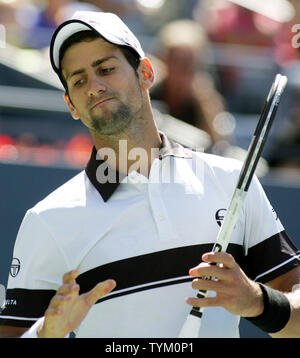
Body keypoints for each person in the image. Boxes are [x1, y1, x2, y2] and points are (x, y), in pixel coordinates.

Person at [0, 11, 299, 339]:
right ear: (71, 104)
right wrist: (45, 334)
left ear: (145, 72)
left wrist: (258, 302)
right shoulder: (47, 220)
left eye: (106, 69)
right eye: (79, 80)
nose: (95, 87)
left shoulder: (229, 181)